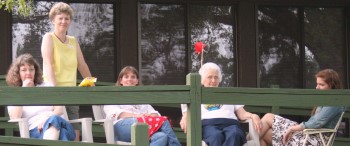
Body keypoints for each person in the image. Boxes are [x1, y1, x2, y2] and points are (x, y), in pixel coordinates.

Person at [41, 2, 93, 140]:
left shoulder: (73, 41)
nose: (64, 21)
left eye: (67, 18)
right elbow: (49, 64)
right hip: (53, 91)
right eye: (60, 18)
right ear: (53, 20)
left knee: (75, 126)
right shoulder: (48, 38)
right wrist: (55, 90)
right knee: (56, 128)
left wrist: (91, 83)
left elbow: (82, 65)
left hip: (71, 92)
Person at [180, 62, 262, 146]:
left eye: (216, 77)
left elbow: (242, 114)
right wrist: (184, 117)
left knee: (235, 134)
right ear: (202, 80)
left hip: (232, 124)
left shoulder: (228, 94)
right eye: (209, 77)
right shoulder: (196, 95)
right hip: (208, 126)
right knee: (216, 136)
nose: (213, 80)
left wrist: (253, 116)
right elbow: (187, 113)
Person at [259, 69, 346, 146]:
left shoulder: (334, 102)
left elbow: (317, 122)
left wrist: (293, 128)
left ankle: (247, 141)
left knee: (267, 121)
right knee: (265, 129)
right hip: (307, 134)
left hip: (315, 140)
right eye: (317, 84)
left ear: (331, 85)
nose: (317, 87)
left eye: (321, 85)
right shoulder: (326, 100)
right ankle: (248, 140)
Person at [103, 66, 182, 146]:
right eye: (126, 77)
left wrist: (148, 116)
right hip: (120, 129)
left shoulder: (140, 99)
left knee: (162, 136)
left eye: (133, 77)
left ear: (137, 81)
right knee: (163, 121)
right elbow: (116, 113)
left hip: (143, 127)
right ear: (121, 80)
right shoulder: (114, 95)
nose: (129, 79)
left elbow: (155, 114)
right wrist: (139, 116)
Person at [6, 53, 75, 141]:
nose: (28, 73)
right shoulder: (14, 94)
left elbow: (59, 109)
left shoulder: (47, 86)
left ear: (35, 71)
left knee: (55, 119)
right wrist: (23, 92)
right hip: (37, 132)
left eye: (31, 69)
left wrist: (47, 119)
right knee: (62, 134)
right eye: (24, 70)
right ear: (17, 73)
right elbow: (15, 116)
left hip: (61, 124)